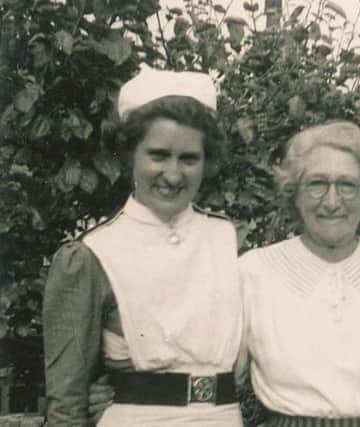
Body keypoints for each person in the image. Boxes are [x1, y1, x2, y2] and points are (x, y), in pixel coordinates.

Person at [43, 66, 243, 426]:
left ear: (206, 161)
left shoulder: (228, 239)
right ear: (130, 153)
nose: (172, 174)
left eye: (189, 158)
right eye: (158, 154)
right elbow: (67, 404)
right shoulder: (92, 253)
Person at [236, 121, 360, 426]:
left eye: (347, 185)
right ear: (294, 193)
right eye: (317, 184)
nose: (332, 202)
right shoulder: (254, 272)